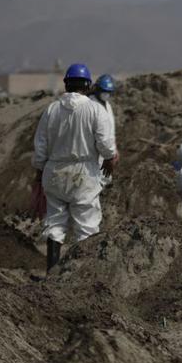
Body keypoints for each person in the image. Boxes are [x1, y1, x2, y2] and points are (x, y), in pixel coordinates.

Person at [32, 63, 117, 272]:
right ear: (88, 85)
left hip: (55, 172)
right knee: (86, 226)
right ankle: (82, 275)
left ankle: (51, 272)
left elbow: (40, 146)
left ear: (66, 84)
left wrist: (39, 171)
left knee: (55, 223)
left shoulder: (51, 109)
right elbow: (106, 144)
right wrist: (109, 158)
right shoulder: (95, 109)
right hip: (84, 175)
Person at [90, 74, 117, 187]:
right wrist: (109, 154)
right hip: (95, 153)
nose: (106, 94)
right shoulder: (91, 104)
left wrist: (114, 149)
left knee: (105, 181)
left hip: (106, 152)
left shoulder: (108, 106)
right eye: (104, 91)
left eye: (108, 92)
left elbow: (110, 131)